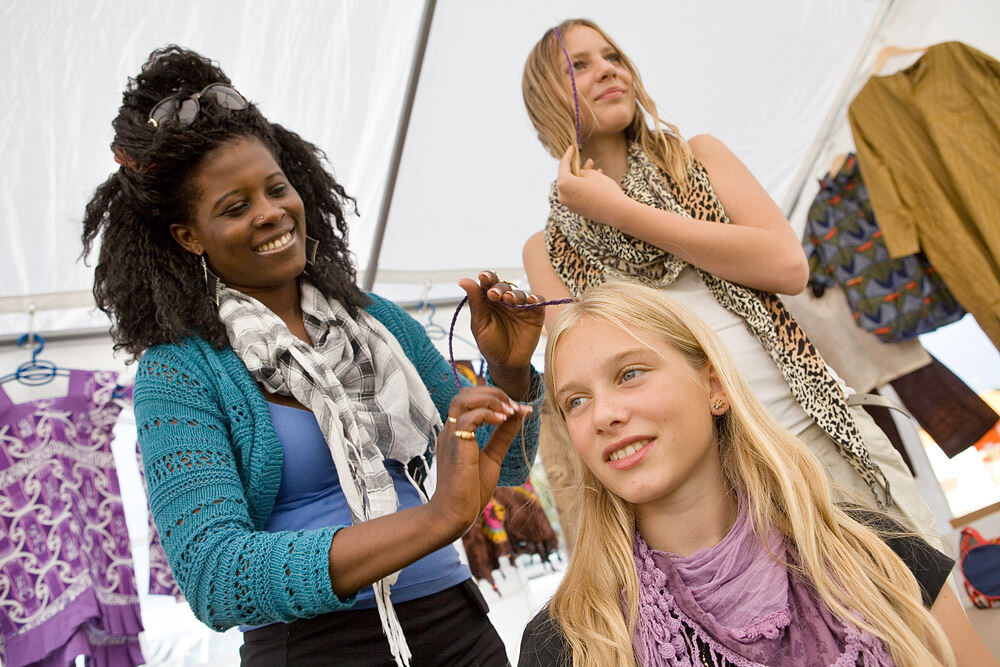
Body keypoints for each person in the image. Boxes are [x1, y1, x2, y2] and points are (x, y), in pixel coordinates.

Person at [81, 46, 546, 667]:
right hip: (313, 650)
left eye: (277, 189)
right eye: (236, 206)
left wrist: (512, 369)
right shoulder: (182, 372)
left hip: (456, 627)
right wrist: (434, 521)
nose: (272, 212)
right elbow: (215, 577)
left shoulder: (377, 321)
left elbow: (508, 464)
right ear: (188, 236)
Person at [520, 18, 938, 538]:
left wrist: (622, 212)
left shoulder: (698, 159)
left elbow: (787, 266)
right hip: (716, 496)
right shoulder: (547, 250)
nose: (607, 70)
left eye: (614, 57)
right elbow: (583, 380)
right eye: (578, 65)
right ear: (545, 98)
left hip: (811, 433)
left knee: (917, 603)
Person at [519, 281, 997, 667]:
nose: (602, 415)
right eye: (575, 402)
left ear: (714, 386)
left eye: (629, 374)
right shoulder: (565, 644)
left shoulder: (880, 555)